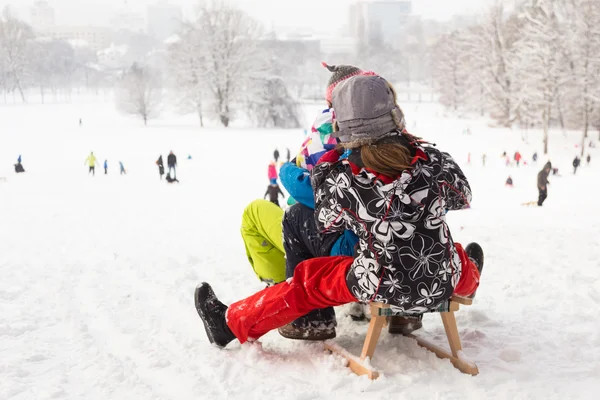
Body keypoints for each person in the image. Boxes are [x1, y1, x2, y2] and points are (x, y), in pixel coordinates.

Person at [194, 75, 483, 348]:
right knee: (451, 251)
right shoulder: (433, 160)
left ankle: (229, 324)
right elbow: (462, 197)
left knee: (307, 283)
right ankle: (469, 282)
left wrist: (329, 164)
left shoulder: (344, 176)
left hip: (377, 279)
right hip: (442, 276)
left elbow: (326, 220)